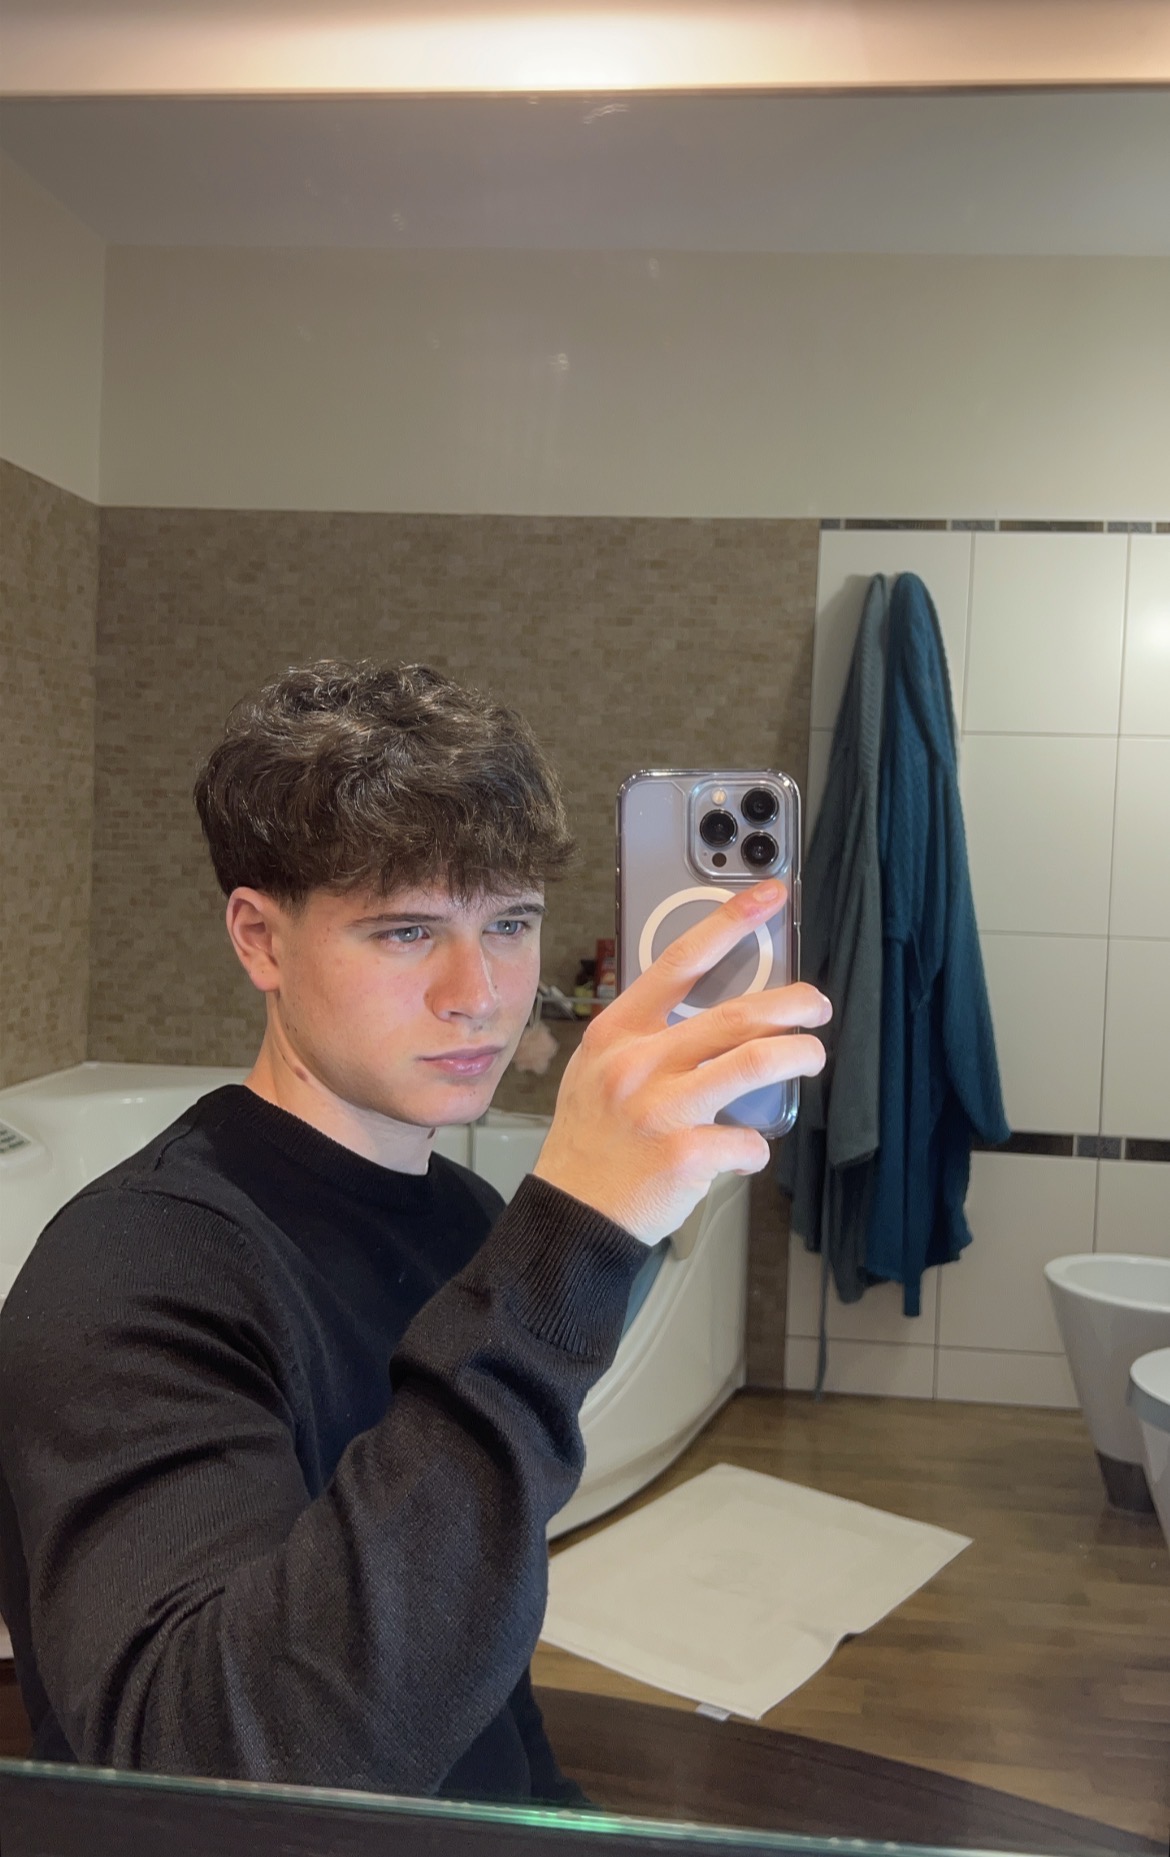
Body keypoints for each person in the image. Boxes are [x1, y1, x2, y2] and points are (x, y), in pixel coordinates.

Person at [0, 660, 830, 1806]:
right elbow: (209, 1774)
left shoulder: (468, 1220)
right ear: (260, 940)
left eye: (511, 922)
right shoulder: (131, 1273)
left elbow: (479, 1656)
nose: (478, 992)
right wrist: (574, 1238)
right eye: (405, 932)